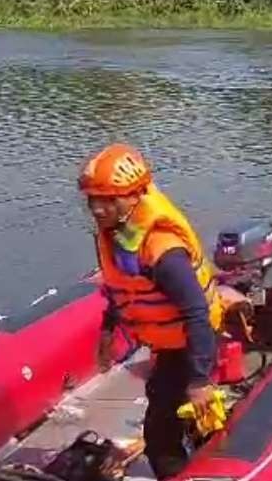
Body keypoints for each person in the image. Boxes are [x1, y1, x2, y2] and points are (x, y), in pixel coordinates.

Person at [79, 144, 223, 479]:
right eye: (92, 200)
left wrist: (200, 378)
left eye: (108, 200)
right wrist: (106, 333)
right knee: (167, 403)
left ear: (134, 196)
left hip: (191, 343)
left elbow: (197, 313)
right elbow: (123, 289)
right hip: (169, 344)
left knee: (160, 434)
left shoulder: (163, 249)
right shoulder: (118, 235)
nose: (98, 209)